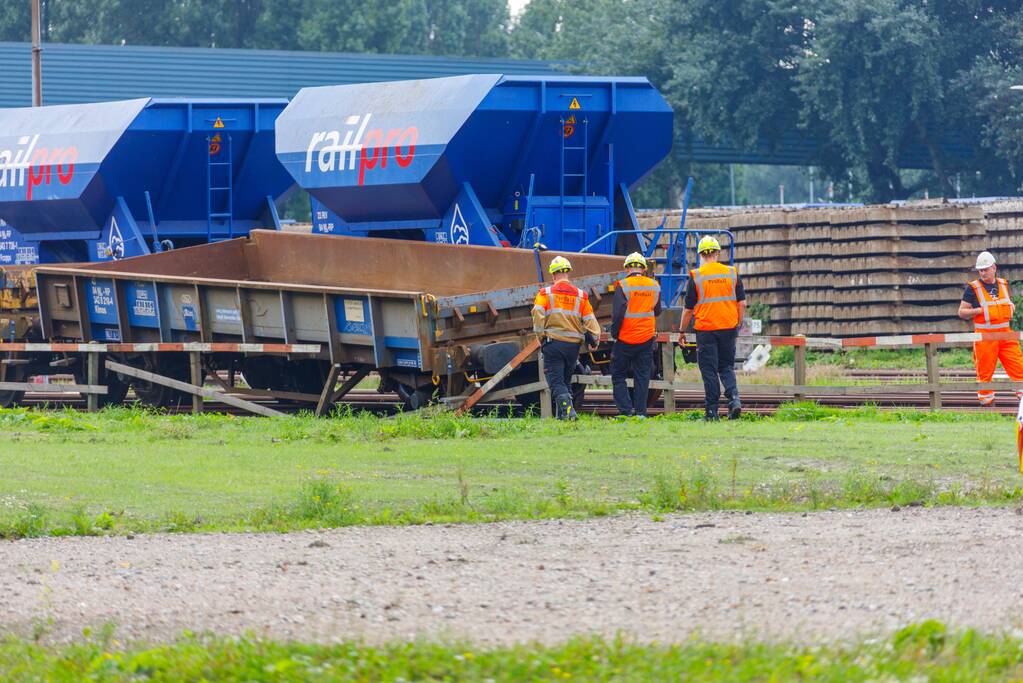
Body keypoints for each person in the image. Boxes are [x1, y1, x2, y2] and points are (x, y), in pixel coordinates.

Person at [678, 236, 745, 421]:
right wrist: (738, 323)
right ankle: (734, 399)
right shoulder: (732, 273)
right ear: (717, 252)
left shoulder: (697, 275)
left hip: (706, 330)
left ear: (700, 254)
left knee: (709, 370)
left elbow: (688, 310)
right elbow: (742, 303)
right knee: (726, 367)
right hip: (728, 327)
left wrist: (682, 331)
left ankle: (711, 412)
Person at [532, 256, 601, 419]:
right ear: (568, 273)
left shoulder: (545, 293)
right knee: (565, 382)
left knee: (556, 383)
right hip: (573, 347)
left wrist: (540, 337)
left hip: (553, 344)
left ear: (553, 275)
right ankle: (562, 419)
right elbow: (590, 319)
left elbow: (537, 314)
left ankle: (570, 413)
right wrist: (595, 339)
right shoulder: (581, 295)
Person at [958, 250, 1023, 405]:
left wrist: (1011, 307)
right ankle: (988, 405)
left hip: (1006, 335)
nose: (983, 273)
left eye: (986, 269)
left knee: (1019, 367)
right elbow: (961, 312)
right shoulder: (972, 288)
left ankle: (1022, 404)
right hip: (985, 337)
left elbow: (1006, 303)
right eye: (981, 270)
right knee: (985, 373)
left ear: (994, 267)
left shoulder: (1003, 284)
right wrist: (978, 310)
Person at [610, 252, 662, 417]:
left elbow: (618, 314)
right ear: (644, 269)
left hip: (625, 339)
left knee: (618, 375)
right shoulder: (654, 285)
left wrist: (614, 333)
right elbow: (658, 311)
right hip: (646, 339)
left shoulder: (623, 285)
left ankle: (626, 411)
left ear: (627, 268)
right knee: (642, 376)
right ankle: (641, 413)